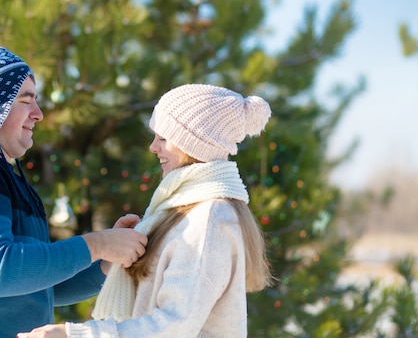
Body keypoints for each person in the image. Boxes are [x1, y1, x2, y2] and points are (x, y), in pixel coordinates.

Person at [0, 33, 147, 338]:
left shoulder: (5, 175)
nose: (39, 114)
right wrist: (97, 243)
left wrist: (107, 260)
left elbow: (40, 287)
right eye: (26, 101)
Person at [18, 83, 274, 338]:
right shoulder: (181, 210)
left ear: (194, 145)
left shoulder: (209, 218)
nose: (153, 147)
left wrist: (74, 335)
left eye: (163, 138)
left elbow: (175, 325)